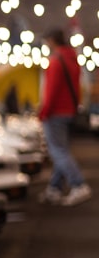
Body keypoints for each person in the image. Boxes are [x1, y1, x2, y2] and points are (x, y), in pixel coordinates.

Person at [38, 28, 91, 206]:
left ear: (52, 41)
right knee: (62, 150)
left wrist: (44, 112)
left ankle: (79, 184)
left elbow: (50, 91)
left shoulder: (56, 61)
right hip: (69, 111)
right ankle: (55, 188)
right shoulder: (72, 60)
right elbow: (78, 87)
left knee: (58, 151)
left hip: (55, 112)